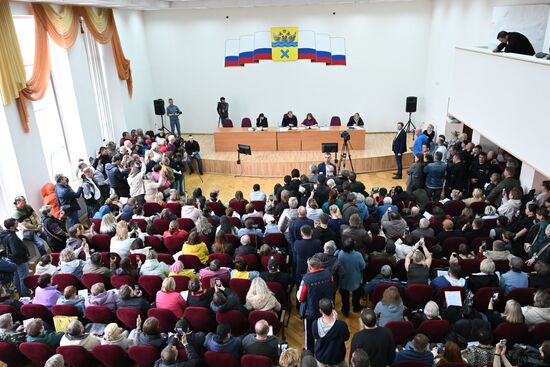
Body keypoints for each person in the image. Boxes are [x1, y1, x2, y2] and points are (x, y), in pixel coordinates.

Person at [297, 256, 335, 351]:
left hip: (311, 311)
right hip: (326, 308)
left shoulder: (306, 279)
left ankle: (309, 350)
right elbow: (332, 288)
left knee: (309, 333)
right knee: (326, 330)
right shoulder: (328, 274)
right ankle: (324, 347)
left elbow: (301, 298)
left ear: (309, 267)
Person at [312, 298, 350, 367]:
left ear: (320, 311)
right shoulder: (341, 325)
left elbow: (316, 337)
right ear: (332, 309)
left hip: (321, 357)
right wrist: (336, 320)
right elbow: (346, 337)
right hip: (337, 358)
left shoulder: (315, 324)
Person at [0, 218, 30, 296]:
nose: (17, 223)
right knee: (24, 278)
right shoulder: (11, 237)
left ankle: (21, 294)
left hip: (12, 260)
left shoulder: (5, 234)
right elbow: (15, 252)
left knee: (17, 278)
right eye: (16, 223)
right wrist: (25, 254)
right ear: (12, 226)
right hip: (20, 260)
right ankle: (26, 295)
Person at [338, 238, 365, 316]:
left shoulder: (340, 254)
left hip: (343, 280)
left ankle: (345, 310)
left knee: (344, 297)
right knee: (356, 295)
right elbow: (363, 266)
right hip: (355, 279)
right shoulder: (358, 255)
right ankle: (356, 307)